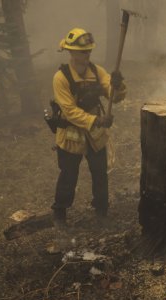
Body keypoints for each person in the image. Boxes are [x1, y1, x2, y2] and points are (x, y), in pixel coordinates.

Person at [51, 28, 126, 228]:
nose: (87, 55)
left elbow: (114, 96)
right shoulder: (61, 77)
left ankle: (102, 211)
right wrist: (97, 120)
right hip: (71, 133)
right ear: (71, 52)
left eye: (89, 51)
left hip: (95, 133)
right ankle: (60, 213)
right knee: (68, 174)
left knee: (100, 172)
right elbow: (69, 111)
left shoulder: (97, 71)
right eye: (83, 51)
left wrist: (117, 85)